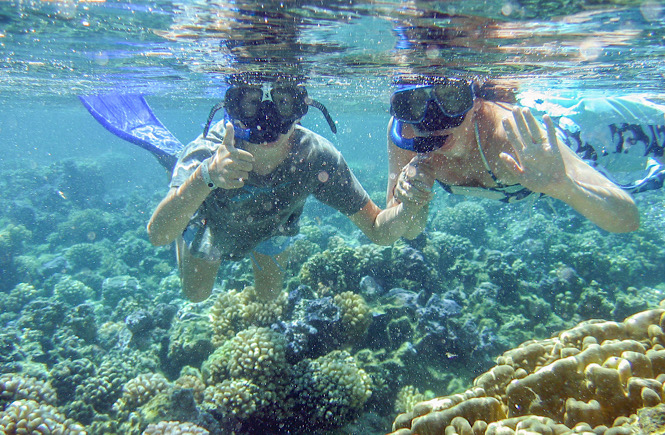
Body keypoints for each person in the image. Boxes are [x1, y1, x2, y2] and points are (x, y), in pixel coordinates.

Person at [147, 74, 427, 302]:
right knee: (196, 294)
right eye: (250, 104)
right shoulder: (209, 151)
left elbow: (378, 229)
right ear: (232, 108)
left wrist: (409, 206)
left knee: (269, 297)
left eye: (283, 103)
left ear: (300, 108)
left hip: (274, 225)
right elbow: (158, 234)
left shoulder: (317, 157)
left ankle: (182, 191)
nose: (267, 121)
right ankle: (181, 192)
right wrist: (204, 176)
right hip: (213, 224)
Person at [386, 76, 665, 238]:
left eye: (452, 99)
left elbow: (628, 219)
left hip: (589, 133)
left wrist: (564, 185)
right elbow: (407, 231)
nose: (435, 121)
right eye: (413, 104)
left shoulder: (511, 136)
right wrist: (412, 205)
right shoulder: (406, 134)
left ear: (475, 101)